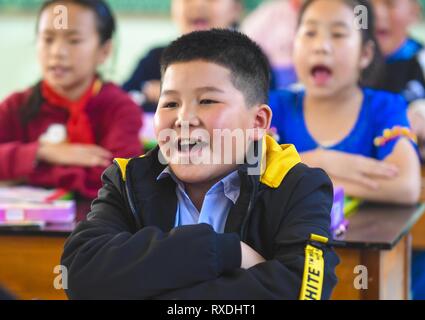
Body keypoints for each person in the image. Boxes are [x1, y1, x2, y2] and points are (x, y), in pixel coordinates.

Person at [61, 29, 339, 300]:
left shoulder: (296, 185)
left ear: (258, 123)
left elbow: (302, 290)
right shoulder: (128, 180)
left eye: (206, 101)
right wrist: (224, 250)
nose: (183, 118)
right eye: (170, 103)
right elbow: (78, 274)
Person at [269, 0, 421, 204]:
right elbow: (248, 172)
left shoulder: (384, 108)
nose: (321, 46)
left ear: (365, 53)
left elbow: (406, 186)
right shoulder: (272, 107)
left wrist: (299, 174)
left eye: (338, 34)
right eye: (310, 33)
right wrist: (320, 160)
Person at [0, 0, 142, 199]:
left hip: (100, 228)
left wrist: (24, 172)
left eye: (74, 40)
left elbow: (120, 179)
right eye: (48, 39)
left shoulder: (120, 108)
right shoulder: (17, 105)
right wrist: (42, 152)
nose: (57, 52)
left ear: (104, 51)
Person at [123, 0, 243, 112]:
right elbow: (122, 100)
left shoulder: (248, 63)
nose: (198, 3)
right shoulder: (156, 59)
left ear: (236, 8)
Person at [369, 0, 425, 141]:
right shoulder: (344, 65)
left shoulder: (420, 60)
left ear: (414, 12)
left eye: (389, 4)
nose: (377, 12)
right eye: (366, 3)